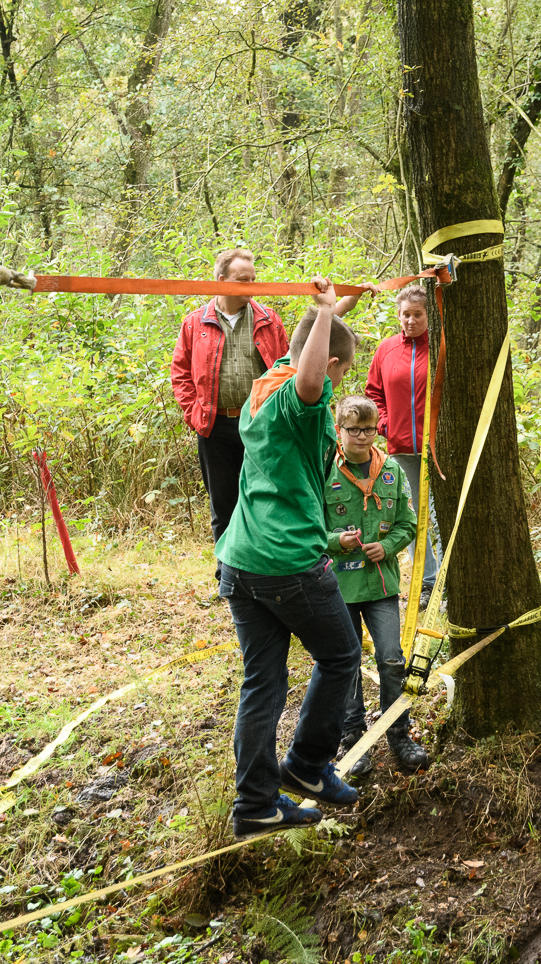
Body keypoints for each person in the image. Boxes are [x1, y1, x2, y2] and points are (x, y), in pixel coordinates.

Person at [218, 285, 363, 833]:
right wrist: (324, 312)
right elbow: (311, 376)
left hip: (241, 560)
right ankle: (306, 765)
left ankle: (254, 804)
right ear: (328, 368)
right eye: (340, 374)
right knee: (341, 656)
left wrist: (330, 312)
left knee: (262, 682)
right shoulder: (299, 400)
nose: (336, 385)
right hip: (288, 561)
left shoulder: (264, 383)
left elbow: (302, 352)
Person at [171, 247, 372, 546]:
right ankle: (227, 567)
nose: (251, 286)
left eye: (254, 279)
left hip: (265, 424)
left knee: (263, 498)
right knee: (223, 504)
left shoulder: (268, 319)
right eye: (243, 280)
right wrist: (196, 415)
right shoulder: (194, 323)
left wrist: (340, 305)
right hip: (215, 425)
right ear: (221, 280)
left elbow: (298, 359)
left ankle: (260, 556)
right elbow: (180, 373)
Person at [323, 395, 430, 776]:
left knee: (391, 658)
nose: (362, 437)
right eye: (354, 430)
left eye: (369, 429)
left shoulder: (392, 471)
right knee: (346, 662)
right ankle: (352, 738)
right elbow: (310, 527)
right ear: (339, 429)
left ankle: (398, 734)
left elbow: (408, 523)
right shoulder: (324, 469)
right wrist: (337, 541)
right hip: (338, 585)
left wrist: (387, 546)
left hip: (381, 584)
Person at [365, 284, 440, 607]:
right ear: (398, 315)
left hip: (437, 449)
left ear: (429, 315)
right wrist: (385, 425)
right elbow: (373, 393)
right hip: (401, 449)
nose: (411, 320)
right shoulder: (386, 350)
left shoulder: (439, 346)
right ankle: (427, 582)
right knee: (412, 519)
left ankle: (449, 584)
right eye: (405, 314)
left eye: (417, 314)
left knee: (439, 516)